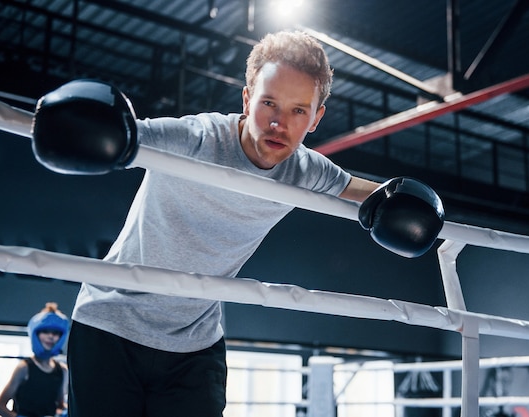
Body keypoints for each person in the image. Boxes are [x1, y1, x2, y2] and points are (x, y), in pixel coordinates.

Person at [30, 30, 443, 417]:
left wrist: (405, 206)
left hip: (194, 343)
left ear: (316, 118)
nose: (280, 123)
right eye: (269, 103)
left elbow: (365, 192)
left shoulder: (305, 170)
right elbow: (126, 138)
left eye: (298, 110)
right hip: (109, 322)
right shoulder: (197, 139)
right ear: (247, 99)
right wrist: (91, 130)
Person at [0, 302, 69, 417]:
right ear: (37, 333)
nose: (51, 336)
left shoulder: (62, 370)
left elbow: (60, 406)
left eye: (55, 333)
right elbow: (0, 407)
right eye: (45, 331)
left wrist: (67, 412)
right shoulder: (24, 367)